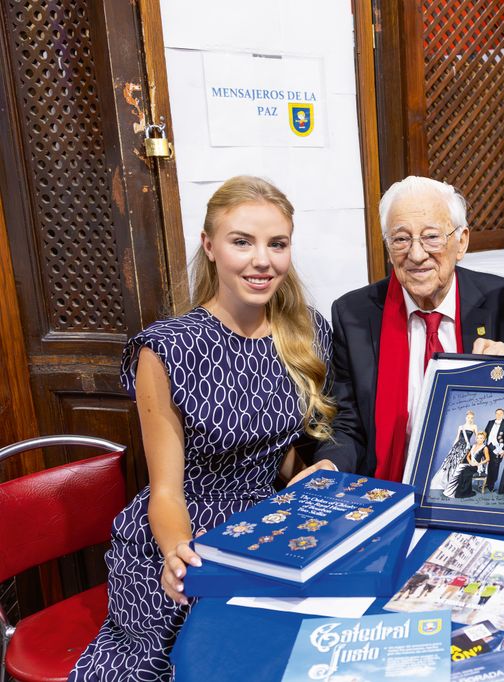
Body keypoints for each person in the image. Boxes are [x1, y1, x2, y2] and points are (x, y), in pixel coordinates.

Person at [69, 177, 337, 681]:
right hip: (185, 538)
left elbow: (274, 451)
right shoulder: (167, 348)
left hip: (265, 527)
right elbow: (166, 492)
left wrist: (307, 475)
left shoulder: (308, 331)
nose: (263, 260)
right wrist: (178, 555)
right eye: (242, 241)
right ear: (209, 246)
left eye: (277, 244)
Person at [315, 176, 504, 481]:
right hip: (389, 488)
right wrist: (329, 465)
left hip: (480, 484)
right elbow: (349, 425)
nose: (416, 254)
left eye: (431, 237)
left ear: (461, 241)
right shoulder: (355, 315)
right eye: (401, 239)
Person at [430, 410, 477, 492]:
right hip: (458, 446)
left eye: (472, 418)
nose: (470, 419)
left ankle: (458, 483)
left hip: (466, 447)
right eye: (469, 417)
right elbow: (457, 438)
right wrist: (453, 448)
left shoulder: (474, 426)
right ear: (466, 417)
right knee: (452, 463)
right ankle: (449, 483)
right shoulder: (461, 427)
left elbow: (477, 438)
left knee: (462, 464)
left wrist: (474, 447)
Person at [452, 432, 491, 498]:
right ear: (476, 439)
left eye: (481, 438)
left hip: (477, 466)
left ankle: (465, 492)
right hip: (470, 464)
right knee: (462, 471)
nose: (479, 439)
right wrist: (470, 462)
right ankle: (461, 491)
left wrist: (479, 463)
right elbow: (468, 456)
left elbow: (488, 459)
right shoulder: (473, 446)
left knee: (466, 472)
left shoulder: (485, 448)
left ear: (484, 439)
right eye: (478, 438)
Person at [483, 408, 504, 492]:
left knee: (495, 466)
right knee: (487, 466)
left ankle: (491, 485)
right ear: (495, 414)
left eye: (500, 413)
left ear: (503, 414)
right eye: (497, 413)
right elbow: (485, 434)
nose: (498, 415)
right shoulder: (490, 422)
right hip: (488, 447)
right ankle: (486, 483)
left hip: (498, 448)